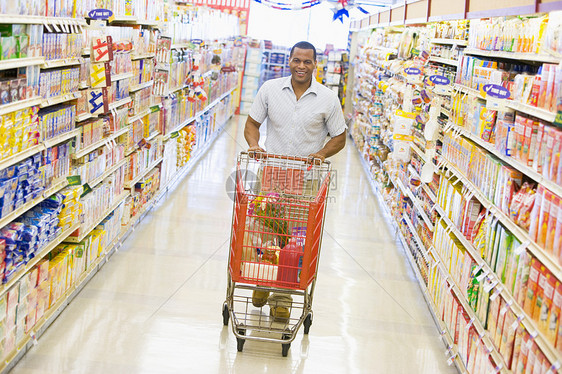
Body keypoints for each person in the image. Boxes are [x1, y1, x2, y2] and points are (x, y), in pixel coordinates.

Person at [244, 41, 347, 321]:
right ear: (289, 61)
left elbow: (339, 137)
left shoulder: (327, 98)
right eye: (296, 60)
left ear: (316, 64)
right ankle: (264, 281)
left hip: (305, 178)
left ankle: (282, 297)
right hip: (273, 175)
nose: (301, 66)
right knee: (265, 233)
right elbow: (252, 124)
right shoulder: (270, 90)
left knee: (295, 240)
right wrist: (254, 145)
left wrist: (322, 153)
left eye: (307, 62)